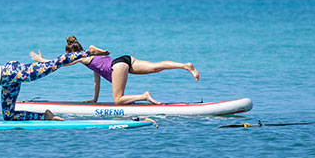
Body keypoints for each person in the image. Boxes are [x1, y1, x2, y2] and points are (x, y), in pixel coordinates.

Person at [30, 36, 199, 105]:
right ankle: (185, 66)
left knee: (118, 100)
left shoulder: (81, 57)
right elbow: (97, 78)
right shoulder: (90, 61)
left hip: (117, 66)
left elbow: (59, 63)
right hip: (125, 60)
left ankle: (144, 96)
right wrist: (94, 99)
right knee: (156, 66)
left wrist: (41, 60)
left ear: (70, 53)